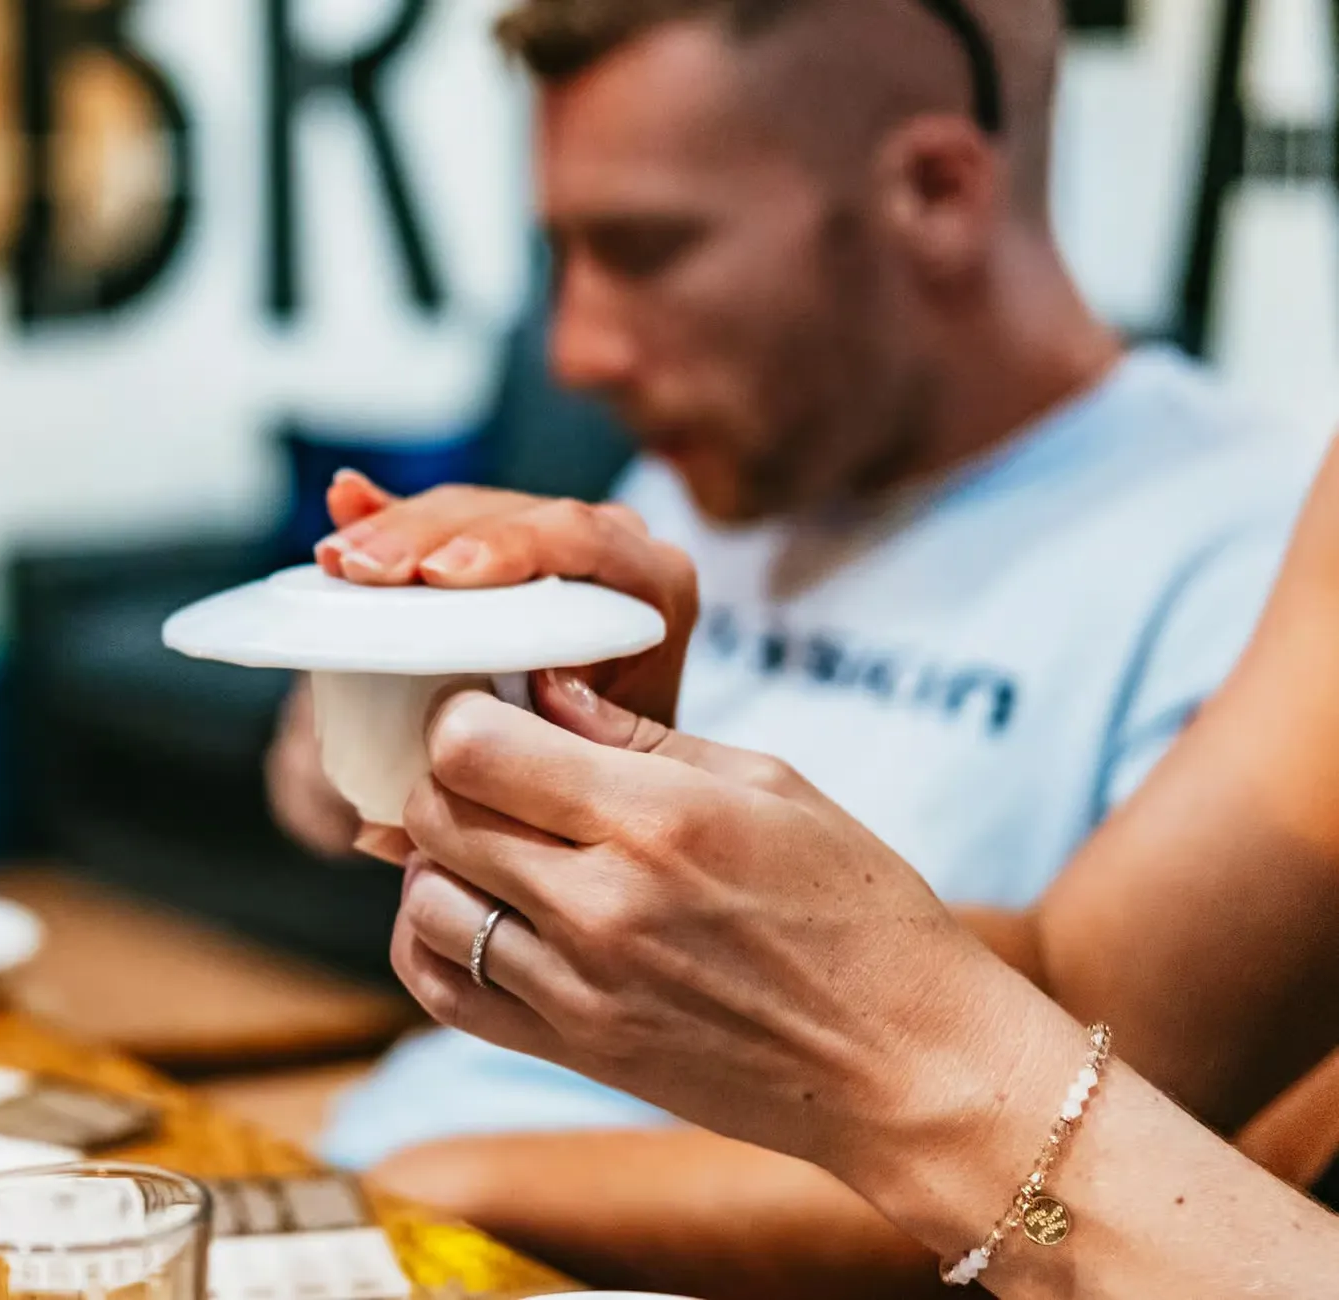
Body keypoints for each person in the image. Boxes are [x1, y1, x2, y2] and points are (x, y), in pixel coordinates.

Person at [278, 0, 1316, 1212]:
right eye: (563, 254)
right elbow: (320, 797)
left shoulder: (1249, 539)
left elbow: (1115, 1145)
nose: (575, 353)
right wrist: (374, 710)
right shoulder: (717, 463)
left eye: (647, 248)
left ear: (934, 189)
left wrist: (442, 1188)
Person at [381, 426, 1339, 1296]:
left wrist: (442, 1179)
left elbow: (1085, 1098)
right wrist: (566, 818)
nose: (575, 354)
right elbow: (1100, 998)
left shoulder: (1212, 511)